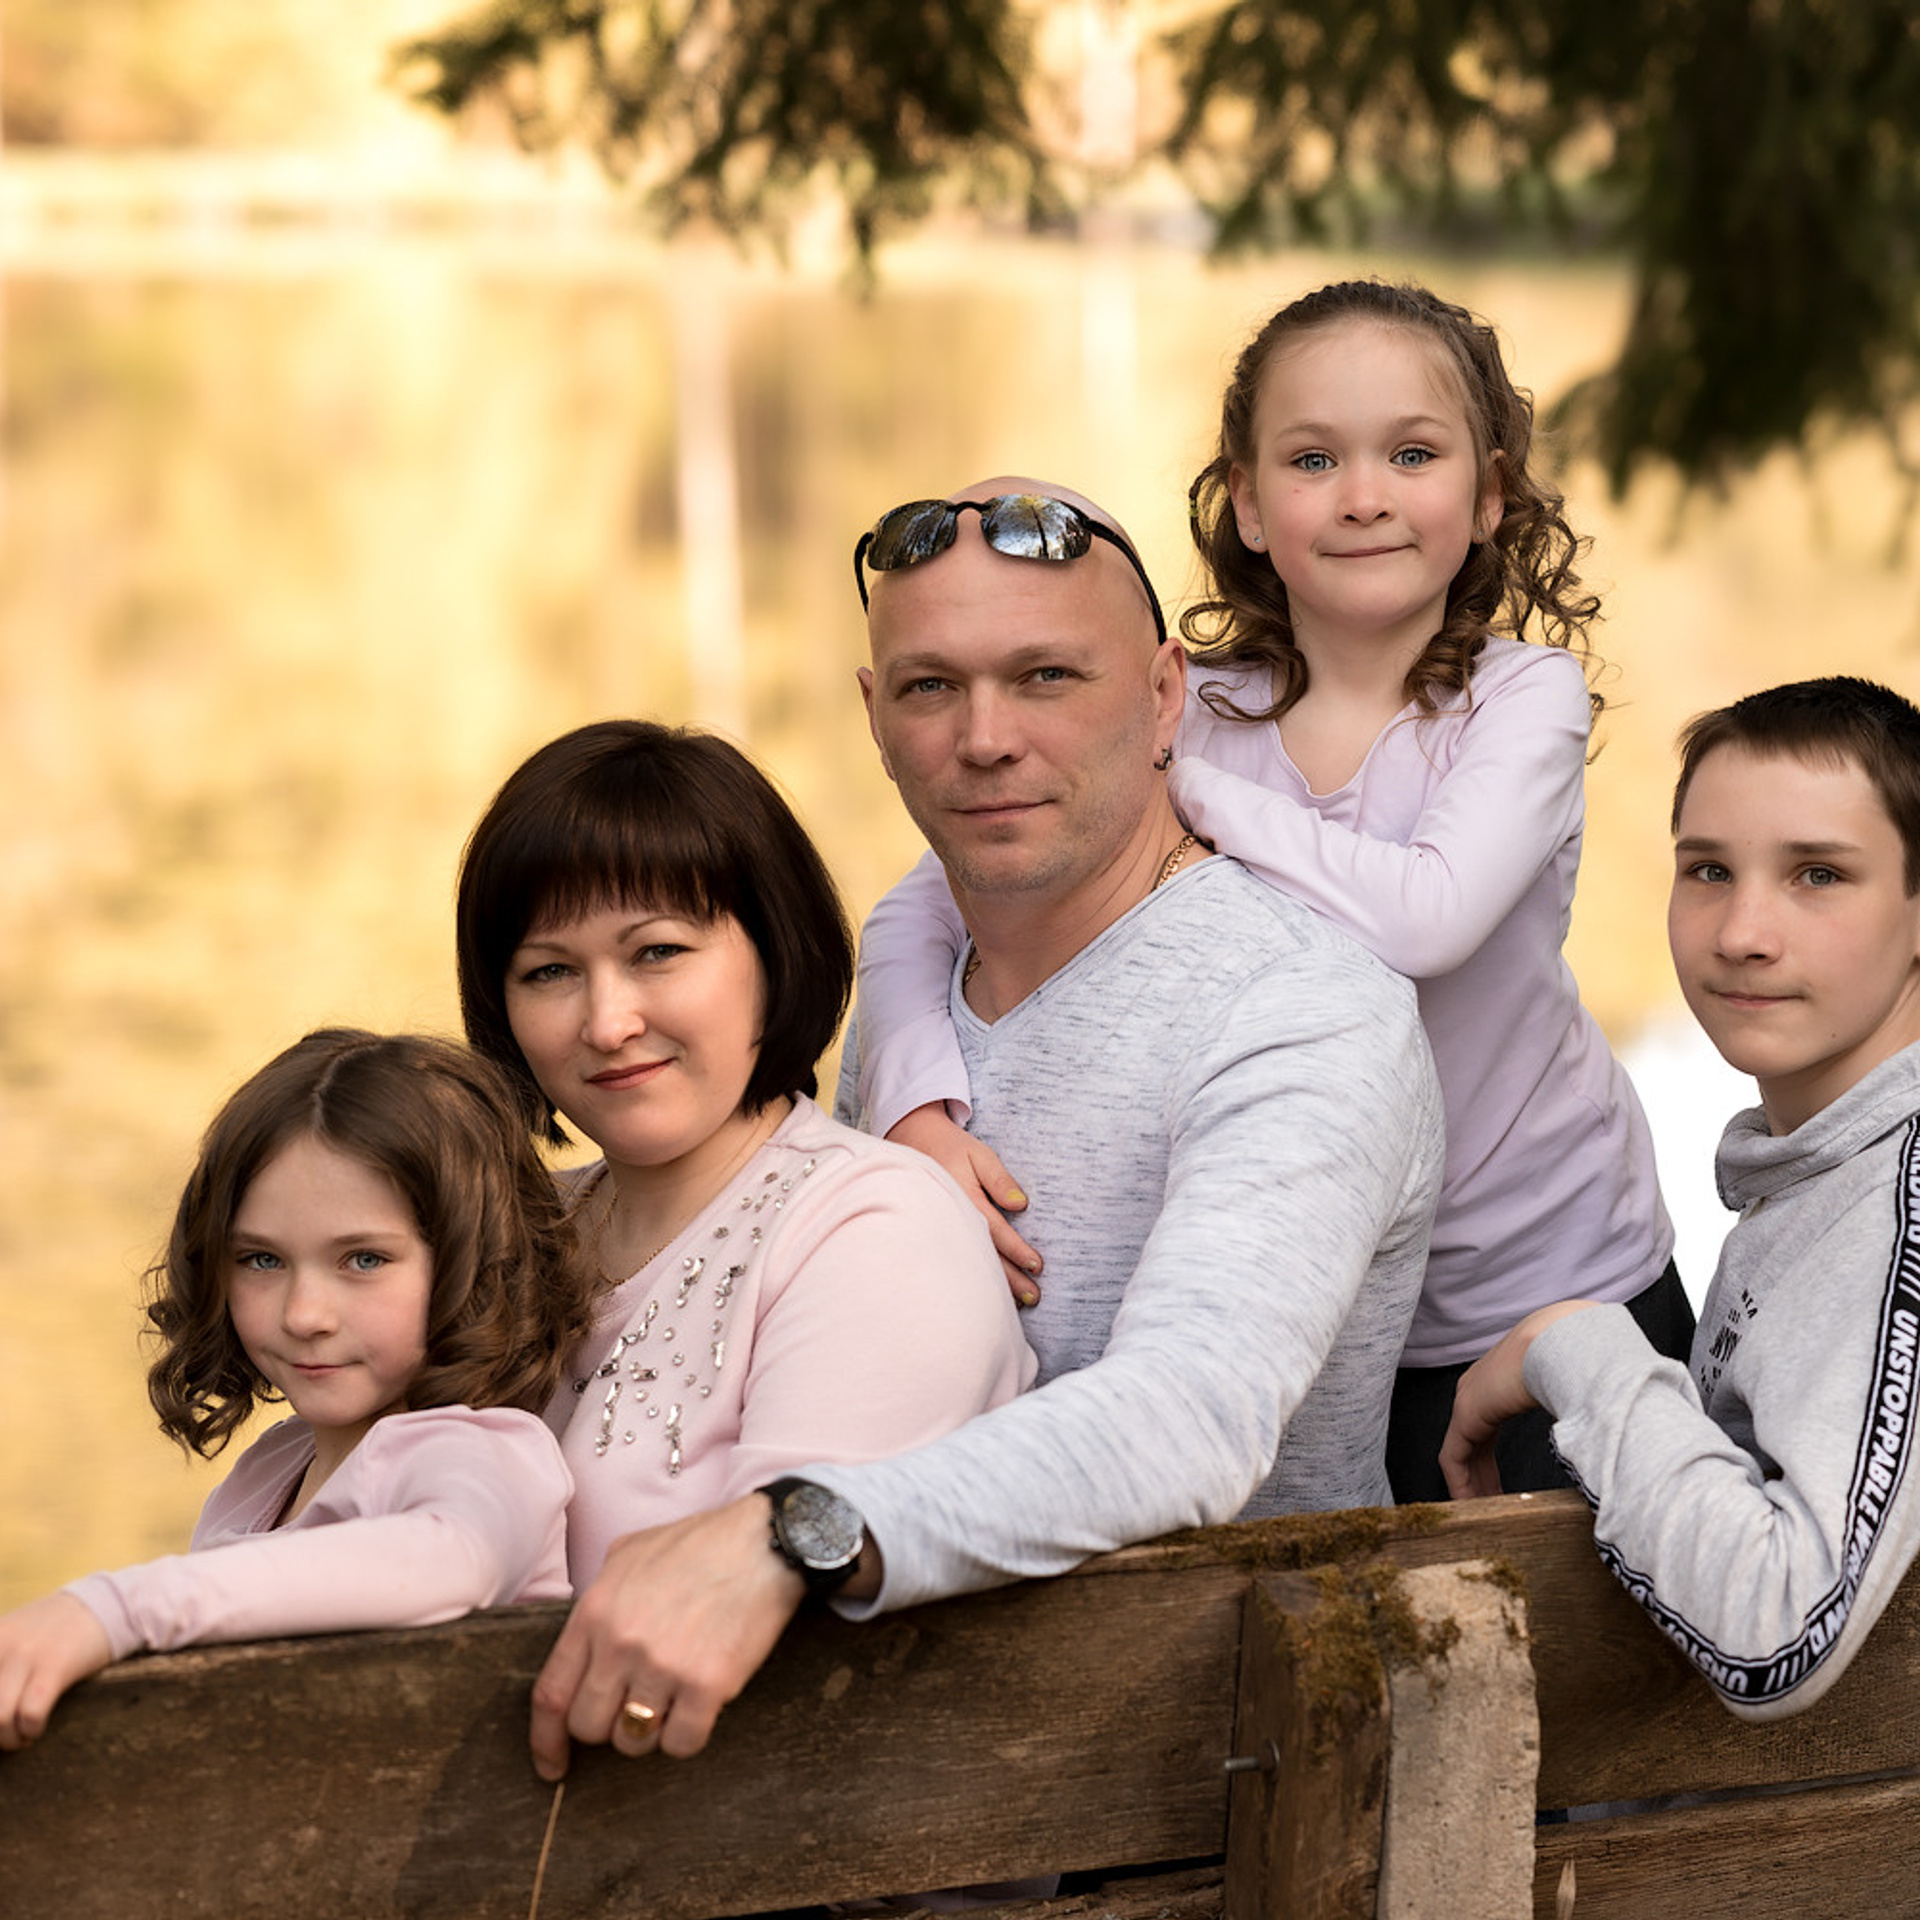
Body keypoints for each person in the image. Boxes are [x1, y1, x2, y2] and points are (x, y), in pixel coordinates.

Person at [521, 482, 1443, 1773]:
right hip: (889, 1766)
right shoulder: (898, 1017)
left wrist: (788, 1534)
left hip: (1213, 1780)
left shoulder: (1301, 1011)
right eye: (929, 688)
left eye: (1046, 676)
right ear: (874, 717)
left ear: (1168, 694)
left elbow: (1194, 1415)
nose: (985, 738)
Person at [852, 280, 1689, 1502]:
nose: (1363, 496)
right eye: (1312, 458)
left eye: (1413, 454)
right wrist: (908, 1103)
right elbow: (919, 904)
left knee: (1585, 1651)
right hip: (1335, 1294)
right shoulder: (1217, 704)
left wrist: (1192, 790)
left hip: (1546, 1282)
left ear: (1490, 494)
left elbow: (1426, 917)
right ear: (1245, 501)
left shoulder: (1518, 700)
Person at [452, 720, 1034, 1711]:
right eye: (548, 971)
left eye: (658, 952)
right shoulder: (508, 1229)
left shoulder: (871, 1231)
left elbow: (787, 1656)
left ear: (773, 948)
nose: (606, 1020)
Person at [1443, 676, 1920, 1718]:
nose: (1742, 930)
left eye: (1819, 876)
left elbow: (1779, 1628)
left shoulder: (1901, 1200)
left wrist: (1579, 1344)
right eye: (1709, 869)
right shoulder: (1830, 1170)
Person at [0, 1028, 596, 1751]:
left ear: (473, 1262)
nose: (304, 1315)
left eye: (364, 1259)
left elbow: (452, 1558)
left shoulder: (478, 1451)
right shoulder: (271, 1470)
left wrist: (116, 1609)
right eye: (260, 1259)